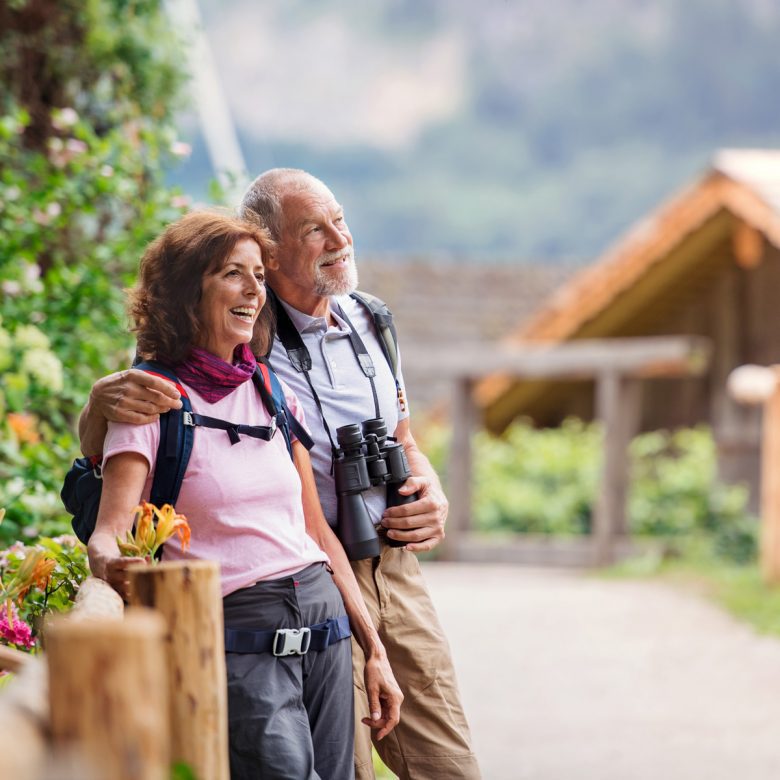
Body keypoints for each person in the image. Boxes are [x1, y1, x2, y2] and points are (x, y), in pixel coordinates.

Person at [80, 171, 481, 780]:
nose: (337, 238)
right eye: (312, 229)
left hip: (382, 572)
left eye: (338, 220)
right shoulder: (232, 351)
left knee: (449, 764)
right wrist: (94, 407)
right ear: (270, 244)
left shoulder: (371, 322)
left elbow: (402, 438)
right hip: (273, 598)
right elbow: (131, 431)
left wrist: (432, 488)